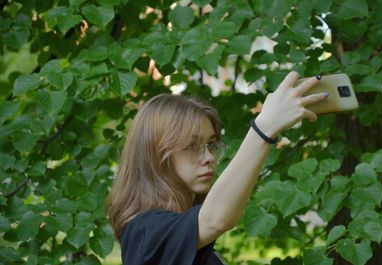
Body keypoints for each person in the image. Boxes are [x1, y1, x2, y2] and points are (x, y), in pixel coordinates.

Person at [105, 71, 328, 265]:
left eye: (211, 144)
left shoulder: (185, 231)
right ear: (155, 155)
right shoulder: (145, 232)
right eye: (191, 146)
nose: (209, 157)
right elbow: (217, 218)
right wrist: (265, 127)